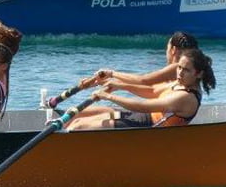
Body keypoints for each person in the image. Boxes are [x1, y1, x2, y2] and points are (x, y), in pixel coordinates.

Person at [67, 47, 216, 131]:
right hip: (140, 118)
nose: (180, 73)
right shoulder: (180, 84)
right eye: (179, 67)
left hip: (148, 128)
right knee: (78, 114)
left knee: (78, 126)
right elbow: (151, 91)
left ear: (199, 74)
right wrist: (117, 84)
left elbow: (144, 106)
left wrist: (108, 96)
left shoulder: (186, 98)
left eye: (186, 70)